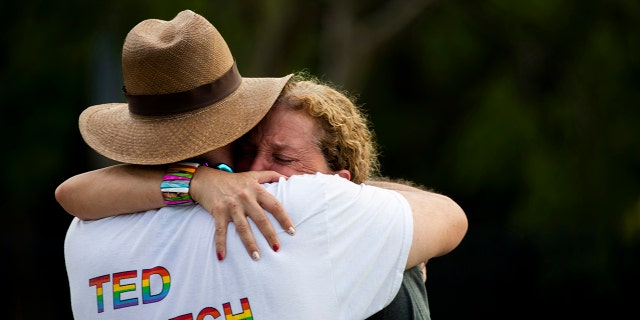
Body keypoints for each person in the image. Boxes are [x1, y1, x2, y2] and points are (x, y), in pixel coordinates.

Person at [60, 9, 467, 319]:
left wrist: (193, 181)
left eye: (282, 157)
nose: (257, 169)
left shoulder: (86, 234)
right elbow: (449, 217)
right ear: (229, 122)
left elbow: (71, 192)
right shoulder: (308, 206)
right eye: (249, 149)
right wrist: (357, 197)